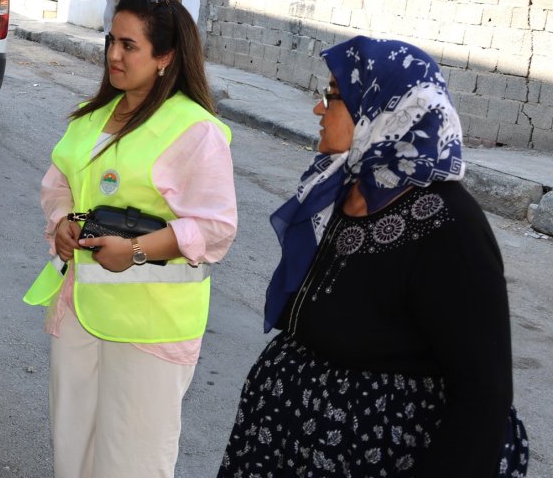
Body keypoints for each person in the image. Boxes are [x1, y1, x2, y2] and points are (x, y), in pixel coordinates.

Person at [219, 37, 529, 477]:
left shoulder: (448, 223)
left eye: (333, 96)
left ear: (383, 108)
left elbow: (484, 391)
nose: (318, 110)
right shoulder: (341, 187)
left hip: (379, 457)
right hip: (285, 443)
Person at [24, 0, 237, 478]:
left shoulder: (194, 130)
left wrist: (137, 249)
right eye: (110, 41)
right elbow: (58, 183)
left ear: (165, 57)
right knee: (72, 447)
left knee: (133, 460)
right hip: (80, 309)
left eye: (129, 45)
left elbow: (215, 228)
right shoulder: (92, 115)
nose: (113, 55)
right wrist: (61, 222)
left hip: (150, 327)